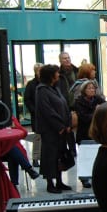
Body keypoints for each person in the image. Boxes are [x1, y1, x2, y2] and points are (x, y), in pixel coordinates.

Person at [35, 64, 73, 194]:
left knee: (59, 155)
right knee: (50, 156)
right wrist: (60, 126)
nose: (58, 75)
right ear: (51, 76)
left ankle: (59, 181)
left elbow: (64, 105)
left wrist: (68, 124)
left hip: (61, 130)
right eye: (56, 73)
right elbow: (47, 111)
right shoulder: (42, 90)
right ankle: (50, 183)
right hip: (50, 130)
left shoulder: (55, 88)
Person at [23, 63, 43, 167]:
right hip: (37, 115)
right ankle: (35, 158)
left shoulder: (48, 83)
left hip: (46, 115)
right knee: (37, 137)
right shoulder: (31, 84)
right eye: (39, 70)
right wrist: (34, 110)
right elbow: (27, 99)